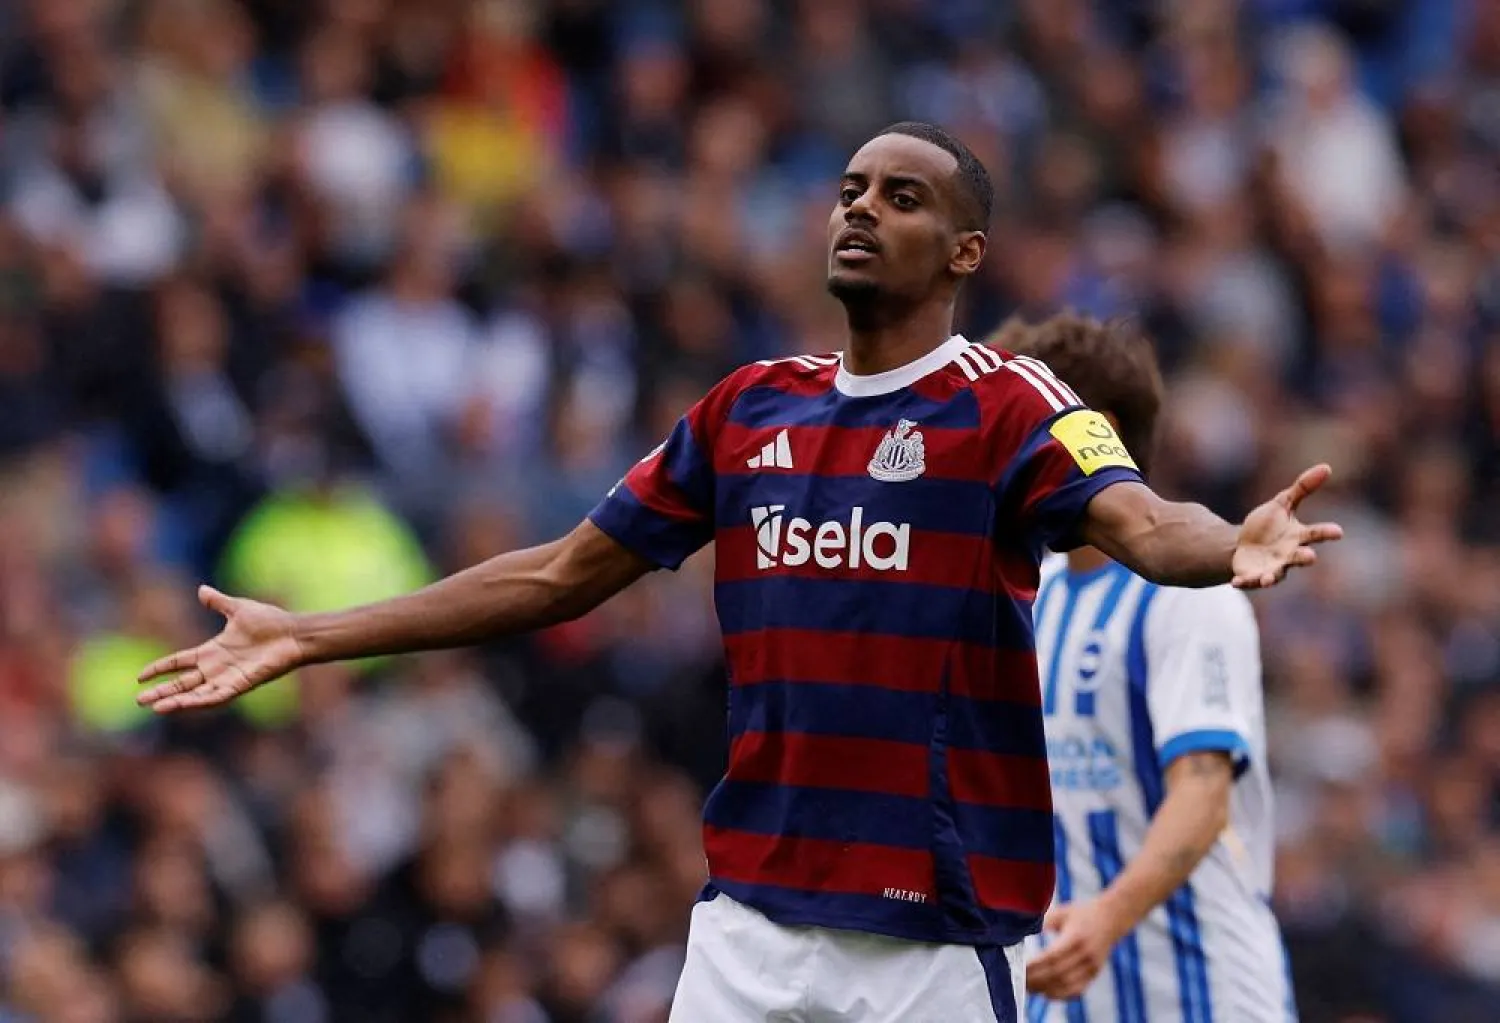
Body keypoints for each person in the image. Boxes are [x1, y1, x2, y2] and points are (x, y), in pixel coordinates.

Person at [136, 122, 1340, 1023]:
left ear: (965, 249)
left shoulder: (1012, 405)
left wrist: (1228, 543)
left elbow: (1136, 518)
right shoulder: (747, 408)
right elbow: (559, 573)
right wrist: (313, 634)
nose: (860, 210)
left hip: (929, 943)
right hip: (748, 925)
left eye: (902, 197)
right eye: (850, 190)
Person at [991, 314, 1296, 1022]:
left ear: (1094, 434)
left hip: (1199, 993)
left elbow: (1201, 791)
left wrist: (1107, 915)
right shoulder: (1028, 595)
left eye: (1027, 428)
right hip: (1063, 996)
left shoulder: (1190, 597)